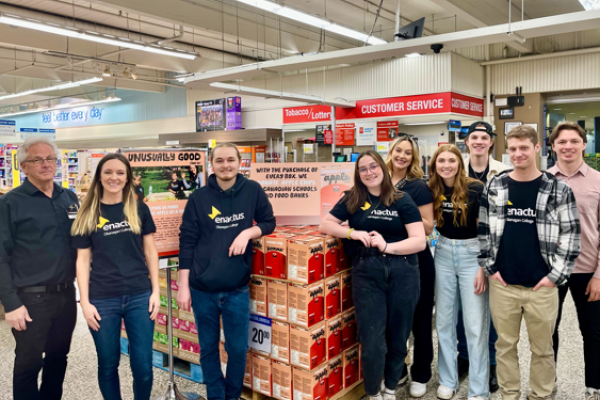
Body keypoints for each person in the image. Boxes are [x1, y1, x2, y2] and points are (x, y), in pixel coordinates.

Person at [478, 125, 581, 400]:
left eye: (524, 148)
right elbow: (484, 230)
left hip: (542, 286)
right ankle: (509, 394)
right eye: (513, 149)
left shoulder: (558, 188)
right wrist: (491, 269)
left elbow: (571, 235)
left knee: (543, 349)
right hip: (504, 284)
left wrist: (554, 276)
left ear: (537, 148)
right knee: (505, 347)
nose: (518, 153)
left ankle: (541, 395)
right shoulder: (496, 185)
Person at [320, 150, 426, 400]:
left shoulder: (403, 199)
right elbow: (325, 224)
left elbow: (420, 242)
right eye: (363, 169)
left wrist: (388, 246)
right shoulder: (353, 198)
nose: (369, 172)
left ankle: (390, 388)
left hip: (404, 270)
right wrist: (352, 234)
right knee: (371, 339)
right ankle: (372, 392)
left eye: (373, 166)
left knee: (399, 335)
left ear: (383, 168)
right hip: (367, 272)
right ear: (358, 174)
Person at [177, 142, 276, 400]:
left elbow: (269, 222)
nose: (225, 165)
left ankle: (231, 397)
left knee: (238, 349)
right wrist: (183, 286)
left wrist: (248, 232)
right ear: (211, 165)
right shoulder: (198, 198)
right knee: (208, 349)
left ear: (239, 162)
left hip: (236, 288)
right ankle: (215, 396)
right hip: (202, 289)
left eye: (230, 160)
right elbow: (186, 241)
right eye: (219, 160)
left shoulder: (252, 190)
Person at [71, 153, 160, 400]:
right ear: (99, 176)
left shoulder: (139, 208)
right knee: (108, 364)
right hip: (102, 299)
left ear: (128, 178)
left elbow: (150, 252)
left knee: (142, 367)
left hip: (139, 295)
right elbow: (82, 260)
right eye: (108, 172)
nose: (114, 177)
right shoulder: (88, 213)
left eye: (120, 173)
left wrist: (156, 292)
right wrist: (85, 303)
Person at [0, 136, 79, 400]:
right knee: (28, 362)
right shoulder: (11, 203)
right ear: (23, 166)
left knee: (58, 358)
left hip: (66, 295)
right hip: (31, 298)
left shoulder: (69, 198)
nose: (46, 164)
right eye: (37, 160)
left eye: (50, 159)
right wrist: (10, 303)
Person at [428, 144, 488, 400]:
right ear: (434, 164)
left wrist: (483, 267)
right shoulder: (431, 188)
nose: (446, 165)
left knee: (475, 325)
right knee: (443, 321)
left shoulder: (475, 188)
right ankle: (448, 380)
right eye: (441, 161)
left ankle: (478, 390)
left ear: (459, 163)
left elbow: (485, 228)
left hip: (471, 254)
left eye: (451, 160)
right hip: (442, 252)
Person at [547, 122, 600, 400]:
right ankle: (548, 383)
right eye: (562, 141)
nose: (568, 146)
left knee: (593, 332)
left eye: (574, 141)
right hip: (551, 270)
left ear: (583, 144)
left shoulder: (598, 180)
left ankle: (594, 385)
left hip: (588, 270)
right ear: (553, 146)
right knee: (547, 331)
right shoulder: (541, 180)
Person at [457, 121, 510, 392]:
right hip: (460, 247)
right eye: (474, 137)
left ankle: (491, 364)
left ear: (491, 142)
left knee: (491, 310)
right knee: (461, 310)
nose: (479, 141)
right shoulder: (454, 169)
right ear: (467, 142)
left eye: (484, 137)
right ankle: (464, 357)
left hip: (494, 249)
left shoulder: (504, 171)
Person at [385, 136, 435, 398]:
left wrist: (404, 210)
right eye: (398, 150)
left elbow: (428, 226)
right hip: (386, 258)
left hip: (417, 259)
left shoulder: (418, 186)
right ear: (391, 152)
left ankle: (422, 372)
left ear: (413, 157)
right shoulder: (377, 181)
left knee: (420, 318)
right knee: (393, 320)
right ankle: (398, 369)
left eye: (407, 152)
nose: (402, 155)